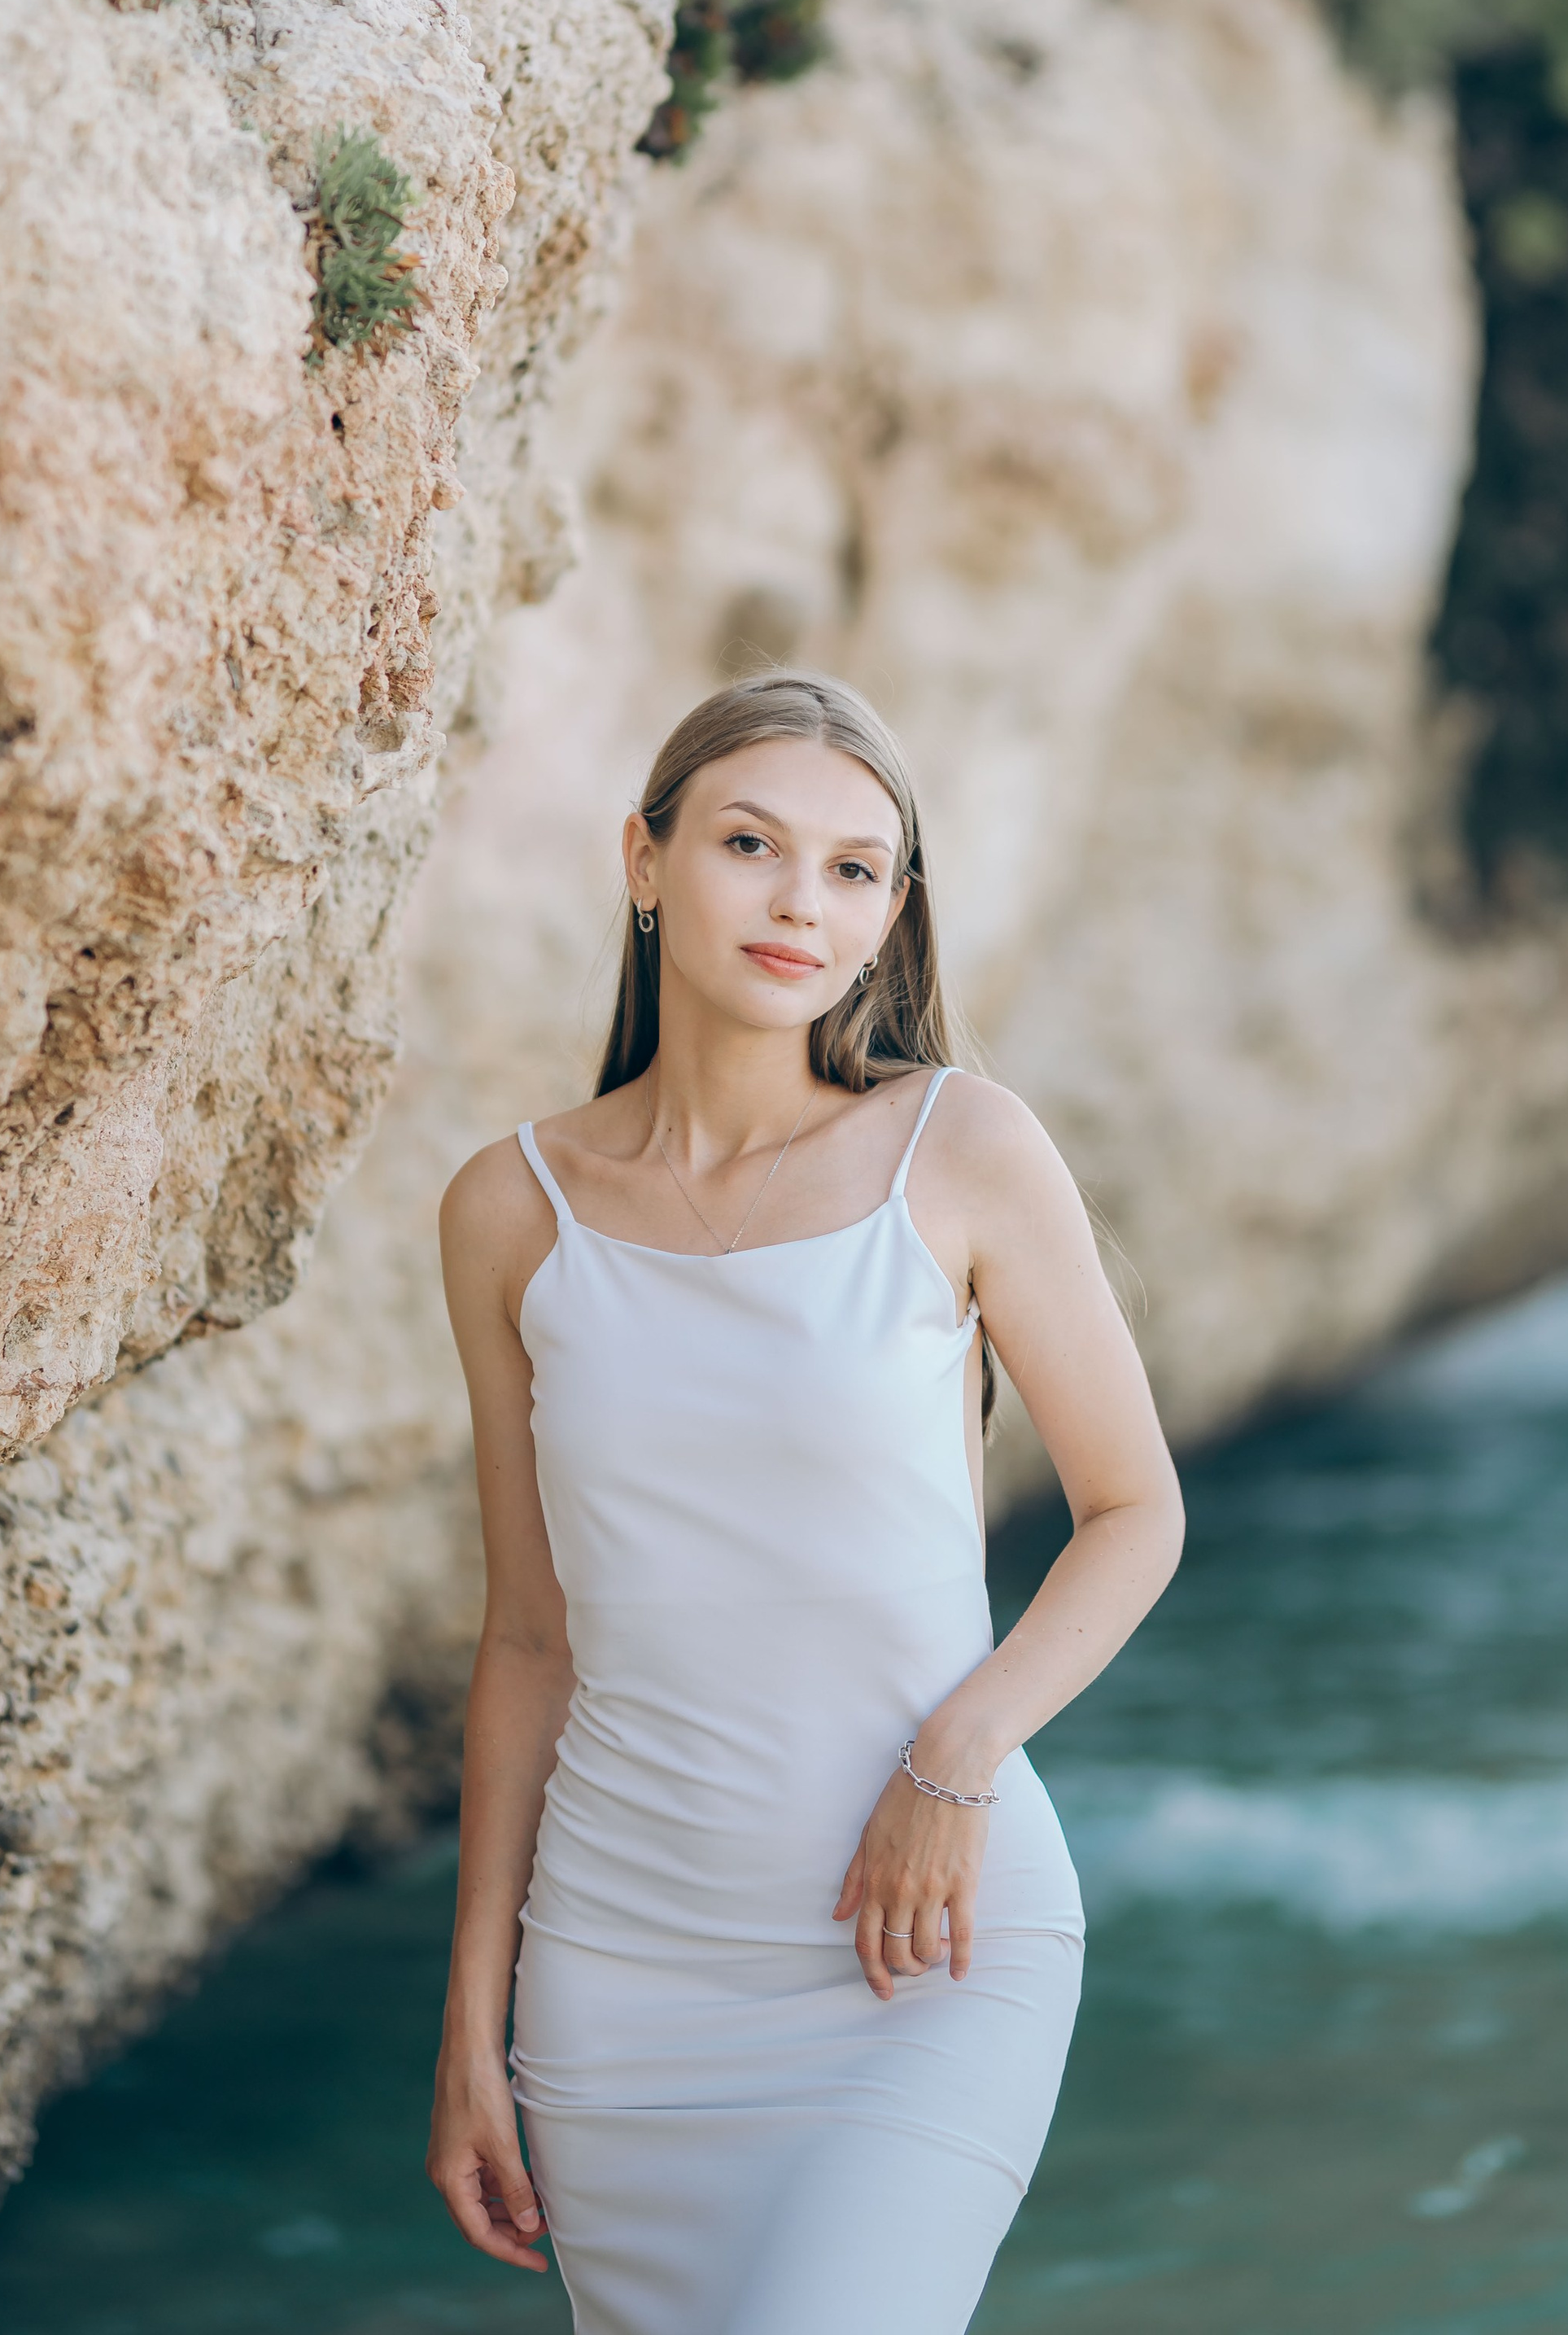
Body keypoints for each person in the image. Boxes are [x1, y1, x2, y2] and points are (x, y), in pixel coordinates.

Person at [426, 671, 1185, 2334]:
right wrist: (471, 2024)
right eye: (749, 844)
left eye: (853, 868)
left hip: (924, 1948)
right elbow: (528, 1634)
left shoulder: (961, 1150)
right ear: (642, 862)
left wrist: (956, 1757)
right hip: (617, 1984)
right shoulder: (511, 1208)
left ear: (891, 913)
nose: (798, 901)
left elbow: (1132, 1511)